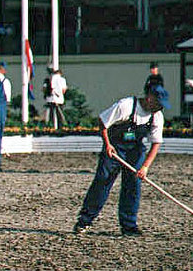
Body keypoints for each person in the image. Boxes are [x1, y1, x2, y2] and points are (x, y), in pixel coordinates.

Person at [73, 84, 170, 236]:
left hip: (135, 151)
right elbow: (103, 122)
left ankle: (129, 225)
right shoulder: (125, 106)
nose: (160, 109)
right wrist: (108, 145)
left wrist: (145, 166)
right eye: (158, 104)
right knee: (103, 181)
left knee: (133, 185)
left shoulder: (156, 116)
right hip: (115, 148)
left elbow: (156, 143)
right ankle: (84, 221)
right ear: (149, 98)